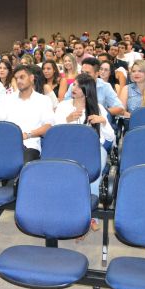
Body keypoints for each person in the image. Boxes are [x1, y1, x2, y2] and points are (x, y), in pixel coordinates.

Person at [55, 73, 114, 202]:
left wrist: (103, 122)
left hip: (93, 148)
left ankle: (90, 201)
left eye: (78, 86)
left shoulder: (98, 108)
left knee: (97, 162)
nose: (74, 88)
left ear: (87, 91)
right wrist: (67, 120)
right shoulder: (63, 106)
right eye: (74, 85)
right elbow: (55, 133)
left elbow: (111, 138)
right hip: (67, 146)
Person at [0, 65, 54, 163]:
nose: (19, 81)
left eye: (22, 77)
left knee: (23, 163)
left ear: (31, 78)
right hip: (6, 144)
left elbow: (48, 126)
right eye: (16, 78)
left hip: (29, 145)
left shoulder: (44, 100)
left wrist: (27, 135)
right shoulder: (7, 100)